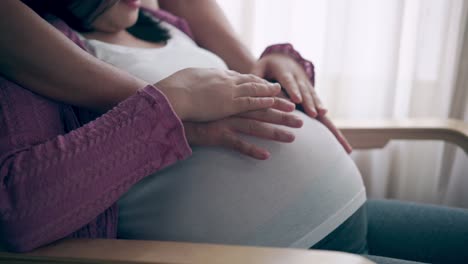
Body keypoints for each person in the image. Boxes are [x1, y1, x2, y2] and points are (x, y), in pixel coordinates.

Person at [0, 1, 467, 264]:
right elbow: (21, 212)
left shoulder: (160, 23)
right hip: (265, 254)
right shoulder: (42, 57)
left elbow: (240, 90)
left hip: (352, 217)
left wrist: (279, 66)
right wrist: (171, 103)